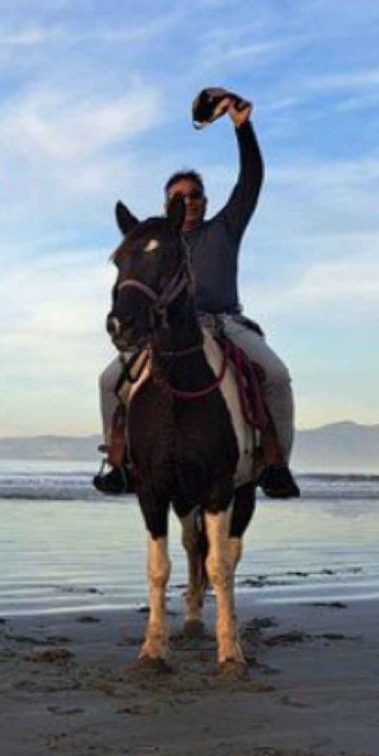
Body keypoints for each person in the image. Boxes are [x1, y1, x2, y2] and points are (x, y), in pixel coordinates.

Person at [93, 91, 299, 499]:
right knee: (109, 380)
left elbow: (251, 180)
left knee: (275, 376)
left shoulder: (224, 229)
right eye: (178, 197)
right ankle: (119, 462)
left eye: (195, 195)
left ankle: (277, 464)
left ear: (205, 202)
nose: (188, 202)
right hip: (168, 330)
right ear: (167, 204)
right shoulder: (159, 245)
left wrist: (243, 127)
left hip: (223, 323)